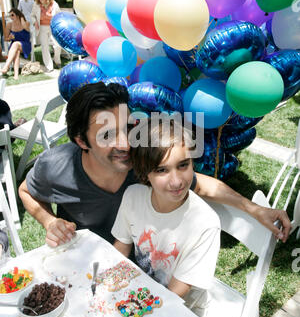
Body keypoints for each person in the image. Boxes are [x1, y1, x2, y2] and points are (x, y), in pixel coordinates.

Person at [18, 82, 291, 248]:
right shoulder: (56, 165)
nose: (125, 144)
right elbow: (26, 191)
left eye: (127, 127)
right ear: (81, 141)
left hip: (140, 276)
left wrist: (254, 210)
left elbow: (198, 183)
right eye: (107, 135)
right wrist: (49, 220)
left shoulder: (143, 156)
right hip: (83, 270)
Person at [112, 117, 220, 313]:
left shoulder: (206, 224)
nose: (176, 181)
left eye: (183, 165)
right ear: (145, 174)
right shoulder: (133, 196)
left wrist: (133, 311)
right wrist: (109, 288)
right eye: (162, 170)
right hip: (141, 293)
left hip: (183, 310)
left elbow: (177, 293)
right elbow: (121, 248)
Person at [31, 0, 61, 73]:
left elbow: (59, 16)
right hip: (42, 28)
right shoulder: (36, 5)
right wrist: (35, 22)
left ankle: (57, 60)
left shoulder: (54, 4)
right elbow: (32, 16)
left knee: (57, 45)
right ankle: (49, 66)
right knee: (44, 47)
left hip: (52, 27)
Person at [1, 8, 31, 80]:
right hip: (14, 47)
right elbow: (6, 39)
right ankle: (16, 75)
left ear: (17, 15)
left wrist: (21, 18)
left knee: (15, 44)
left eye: (12, 15)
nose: (11, 17)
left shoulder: (25, 23)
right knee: (16, 51)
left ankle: (6, 66)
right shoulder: (9, 25)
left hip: (25, 45)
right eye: (10, 15)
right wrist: (10, 37)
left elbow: (26, 28)